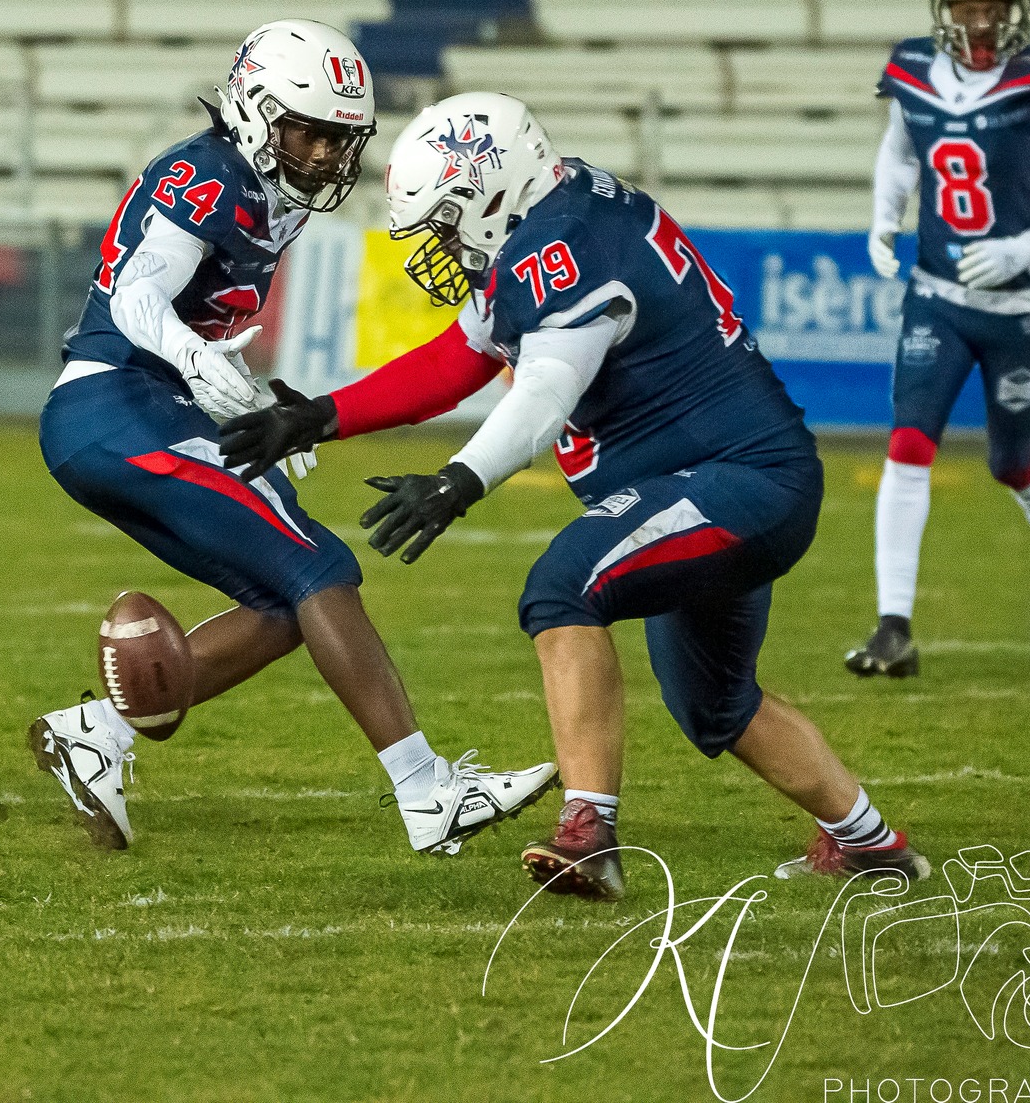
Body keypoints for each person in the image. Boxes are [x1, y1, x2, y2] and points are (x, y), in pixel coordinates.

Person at [220, 94, 930, 901]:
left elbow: (544, 390)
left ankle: (588, 833)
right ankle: (875, 845)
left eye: (449, 221)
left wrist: (459, 480)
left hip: (738, 478)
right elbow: (461, 358)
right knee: (715, 702)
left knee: (563, 585)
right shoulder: (554, 216)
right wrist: (321, 415)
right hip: (712, 483)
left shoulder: (562, 244)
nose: (444, 245)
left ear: (491, 193)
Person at [29, 22, 557, 855]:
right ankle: (426, 792)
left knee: (288, 603)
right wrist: (197, 359)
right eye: (307, 131)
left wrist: (250, 392)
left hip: (154, 407)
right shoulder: (208, 171)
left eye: (338, 139)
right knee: (319, 568)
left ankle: (98, 733)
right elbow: (134, 298)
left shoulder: (264, 187)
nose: (322, 155)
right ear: (255, 110)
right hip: (116, 403)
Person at [850, 0, 1030, 677]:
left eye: (991, 8)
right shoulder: (912, 72)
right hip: (937, 295)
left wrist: (1020, 246)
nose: (978, 24)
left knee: (1010, 460)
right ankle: (893, 627)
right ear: (943, 11)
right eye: (966, 8)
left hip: (1023, 306)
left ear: (1015, 11)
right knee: (908, 444)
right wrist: (884, 216)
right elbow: (900, 148)